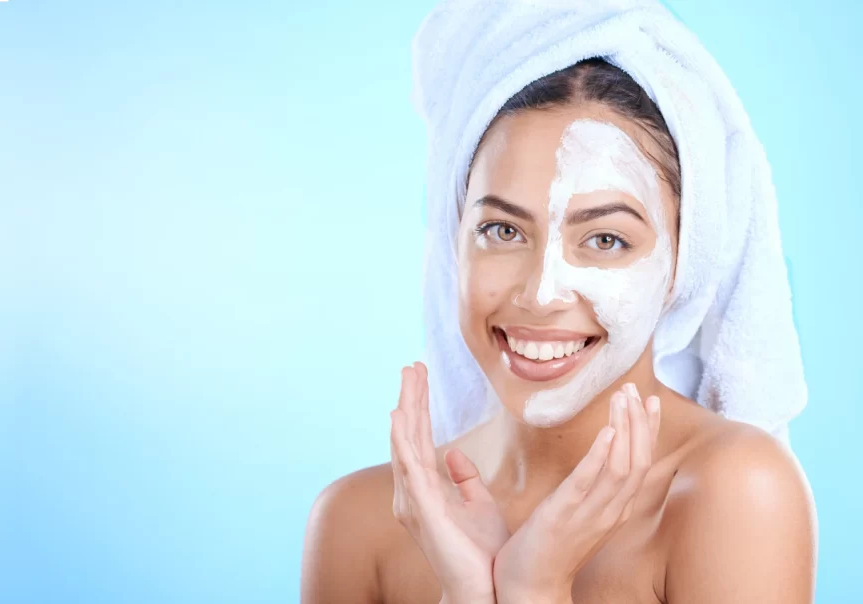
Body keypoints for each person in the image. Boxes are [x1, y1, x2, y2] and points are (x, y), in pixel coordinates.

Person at [301, 3, 817, 603]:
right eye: (503, 230)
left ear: (682, 262)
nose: (541, 295)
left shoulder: (734, 493)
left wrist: (536, 588)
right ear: (453, 244)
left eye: (605, 239)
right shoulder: (358, 522)